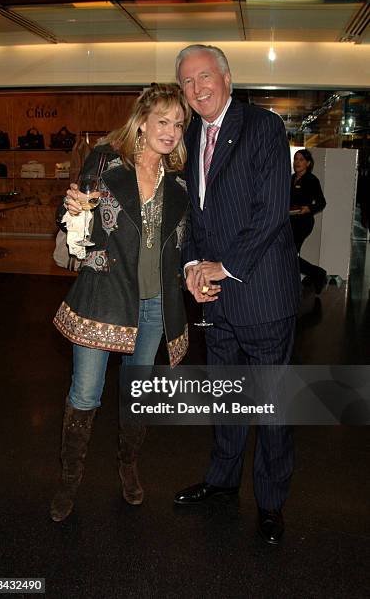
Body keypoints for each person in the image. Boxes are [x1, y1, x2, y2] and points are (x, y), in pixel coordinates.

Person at [173, 44, 301, 545]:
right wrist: (190, 265)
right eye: (187, 82)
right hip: (212, 297)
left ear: (227, 78)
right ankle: (223, 482)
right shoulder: (186, 136)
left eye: (204, 76)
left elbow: (271, 212)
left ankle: (270, 503)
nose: (197, 88)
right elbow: (192, 215)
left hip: (260, 293)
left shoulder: (263, 127)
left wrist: (221, 267)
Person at [50, 83, 191, 522]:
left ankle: (128, 466)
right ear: (143, 122)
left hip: (154, 305)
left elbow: (182, 246)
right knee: (86, 393)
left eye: (179, 124)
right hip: (105, 296)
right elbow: (77, 213)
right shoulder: (108, 161)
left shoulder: (181, 182)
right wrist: (72, 208)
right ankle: (70, 480)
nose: (170, 131)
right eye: (163, 121)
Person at [290, 149, 327, 294]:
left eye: (301, 160)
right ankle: (316, 274)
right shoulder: (291, 178)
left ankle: (316, 274)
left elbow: (321, 202)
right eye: (295, 159)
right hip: (289, 221)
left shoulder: (312, 180)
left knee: (290, 254)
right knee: (289, 255)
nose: (297, 162)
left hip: (303, 223)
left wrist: (309, 208)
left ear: (308, 163)